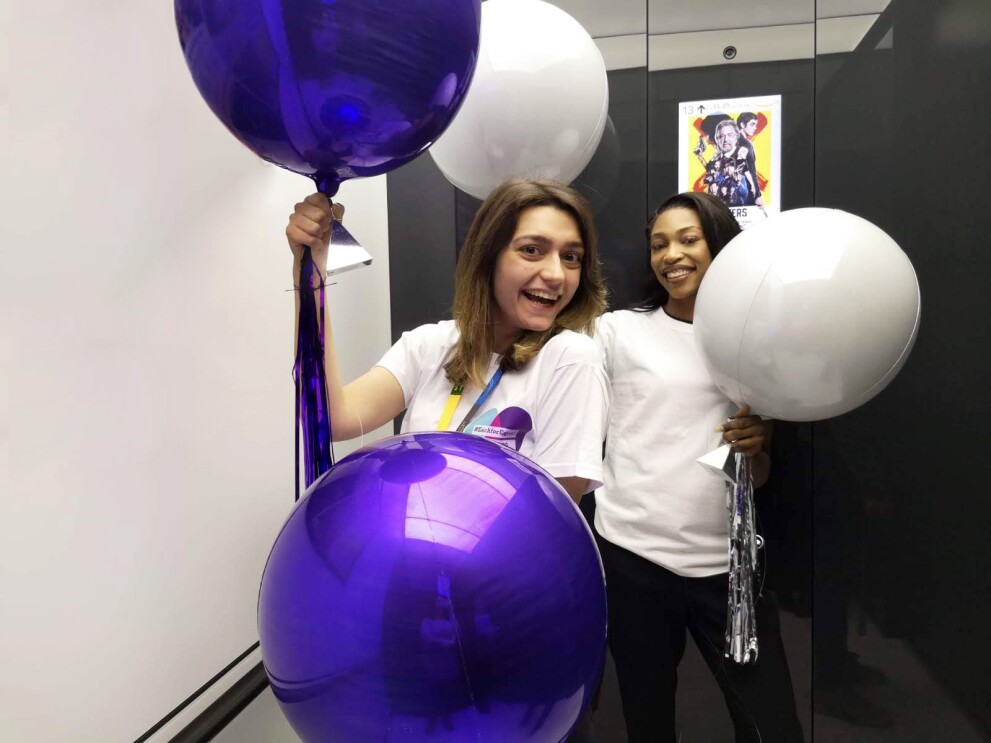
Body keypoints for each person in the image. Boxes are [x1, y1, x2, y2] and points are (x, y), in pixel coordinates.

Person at [286, 178, 610, 740]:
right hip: (411, 617)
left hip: (510, 629)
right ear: (488, 256)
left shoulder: (570, 360)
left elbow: (547, 535)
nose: (556, 274)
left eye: (572, 257)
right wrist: (309, 279)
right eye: (532, 250)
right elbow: (334, 417)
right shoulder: (432, 346)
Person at [593, 192, 804, 742]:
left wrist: (759, 447)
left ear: (720, 246)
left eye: (689, 239)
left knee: (770, 725)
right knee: (648, 720)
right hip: (634, 561)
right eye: (659, 244)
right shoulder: (618, 332)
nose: (671, 255)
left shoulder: (756, 343)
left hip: (728, 569)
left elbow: (757, 476)